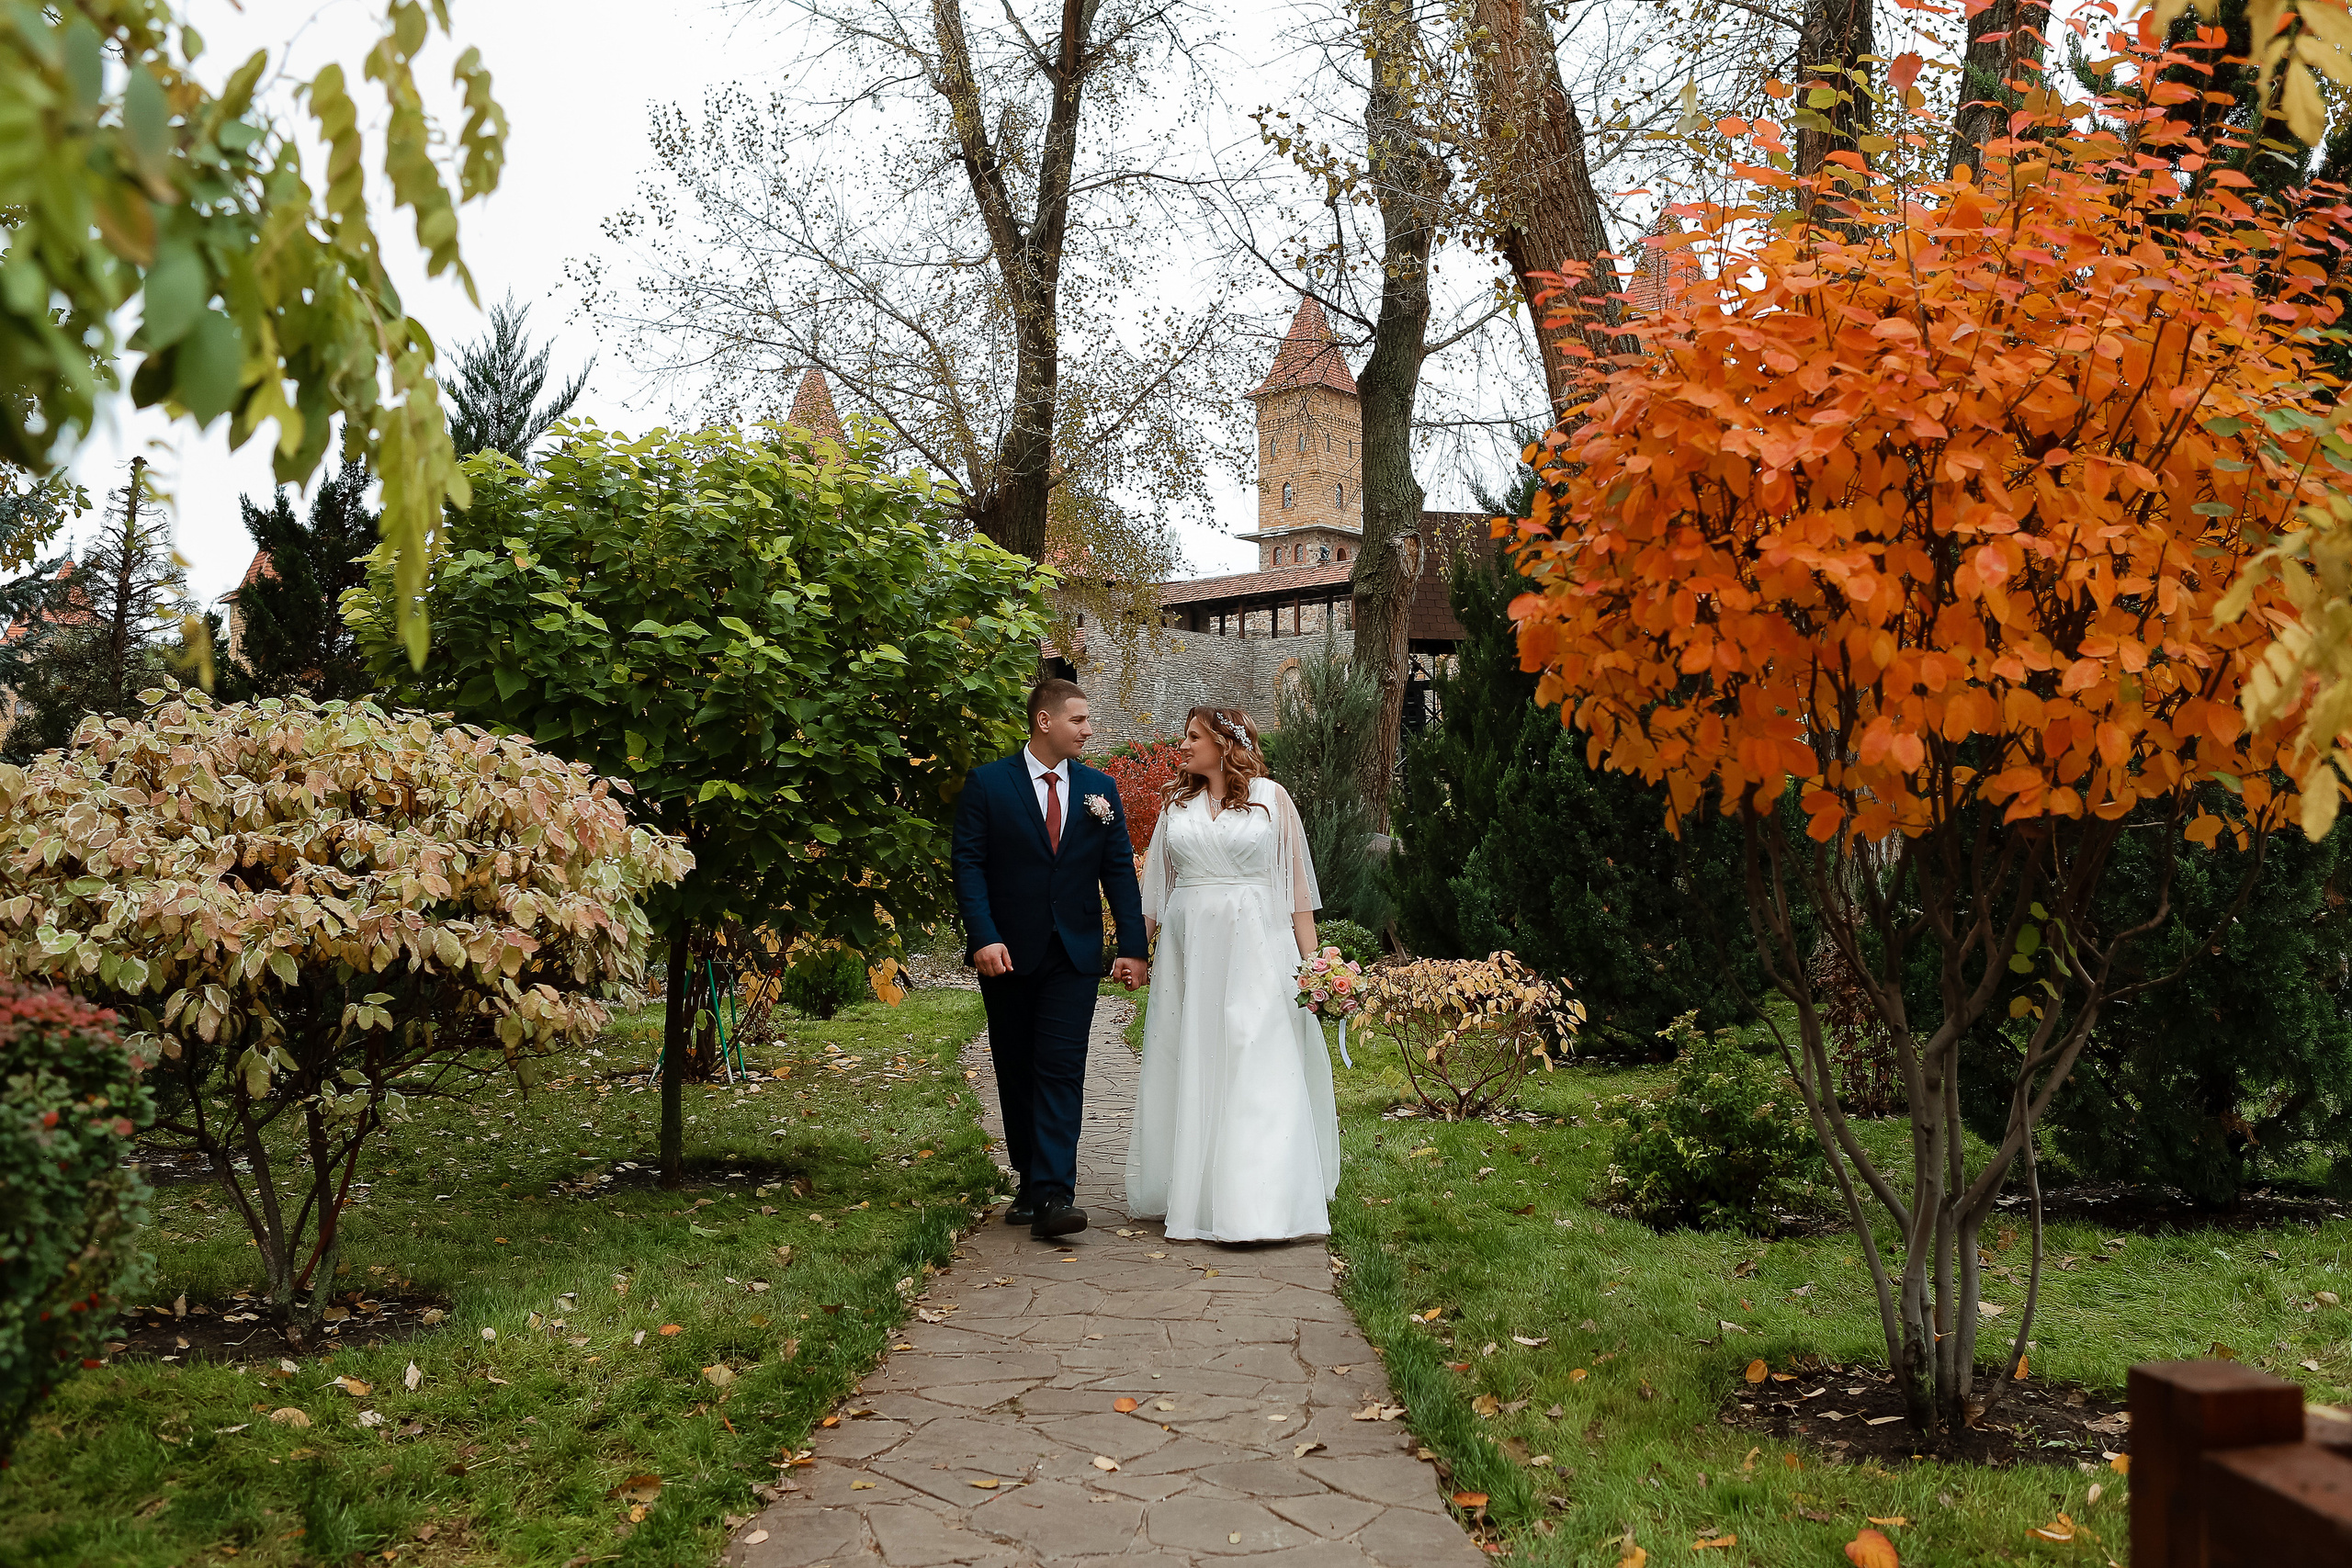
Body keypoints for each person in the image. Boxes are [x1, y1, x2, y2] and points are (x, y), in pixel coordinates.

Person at [1125, 705, 1340, 1243]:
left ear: (1225, 744)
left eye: (1193, 737)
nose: (1184, 746)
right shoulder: (1177, 805)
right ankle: (1193, 1191)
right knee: (1191, 1056)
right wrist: (1135, 950)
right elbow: (1154, 888)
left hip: (1257, 945)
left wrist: (1314, 965)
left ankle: (1258, 1203)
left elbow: (1297, 893)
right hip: (1189, 950)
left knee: (1254, 1055)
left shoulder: (1272, 799)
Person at [952, 677, 1149, 1239]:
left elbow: (1118, 874)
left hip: (1074, 953)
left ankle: (1055, 1195)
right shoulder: (989, 785)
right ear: (1046, 722)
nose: (1090, 730)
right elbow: (968, 867)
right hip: (1007, 953)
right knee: (1016, 1067)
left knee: (1061, 1068)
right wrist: (983, 936)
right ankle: (1030, 1176)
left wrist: (1133, 947)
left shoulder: (1100, 789)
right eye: (1080, 720)